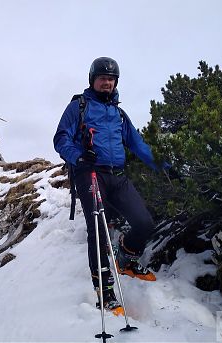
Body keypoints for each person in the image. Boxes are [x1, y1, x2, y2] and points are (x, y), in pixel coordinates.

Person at [53, 57, 169, 311]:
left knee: (144, 223)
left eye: (111, 78)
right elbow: (61, 138)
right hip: (90, 174)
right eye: (102, 78)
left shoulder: (119, 114)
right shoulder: (79, 107)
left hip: (118, 176)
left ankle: (126, 257)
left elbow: (139, 146)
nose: (107, 82)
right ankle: (105, 290)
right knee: (98, 231)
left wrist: (167, 168)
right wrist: (79, 157)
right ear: (92, 79)